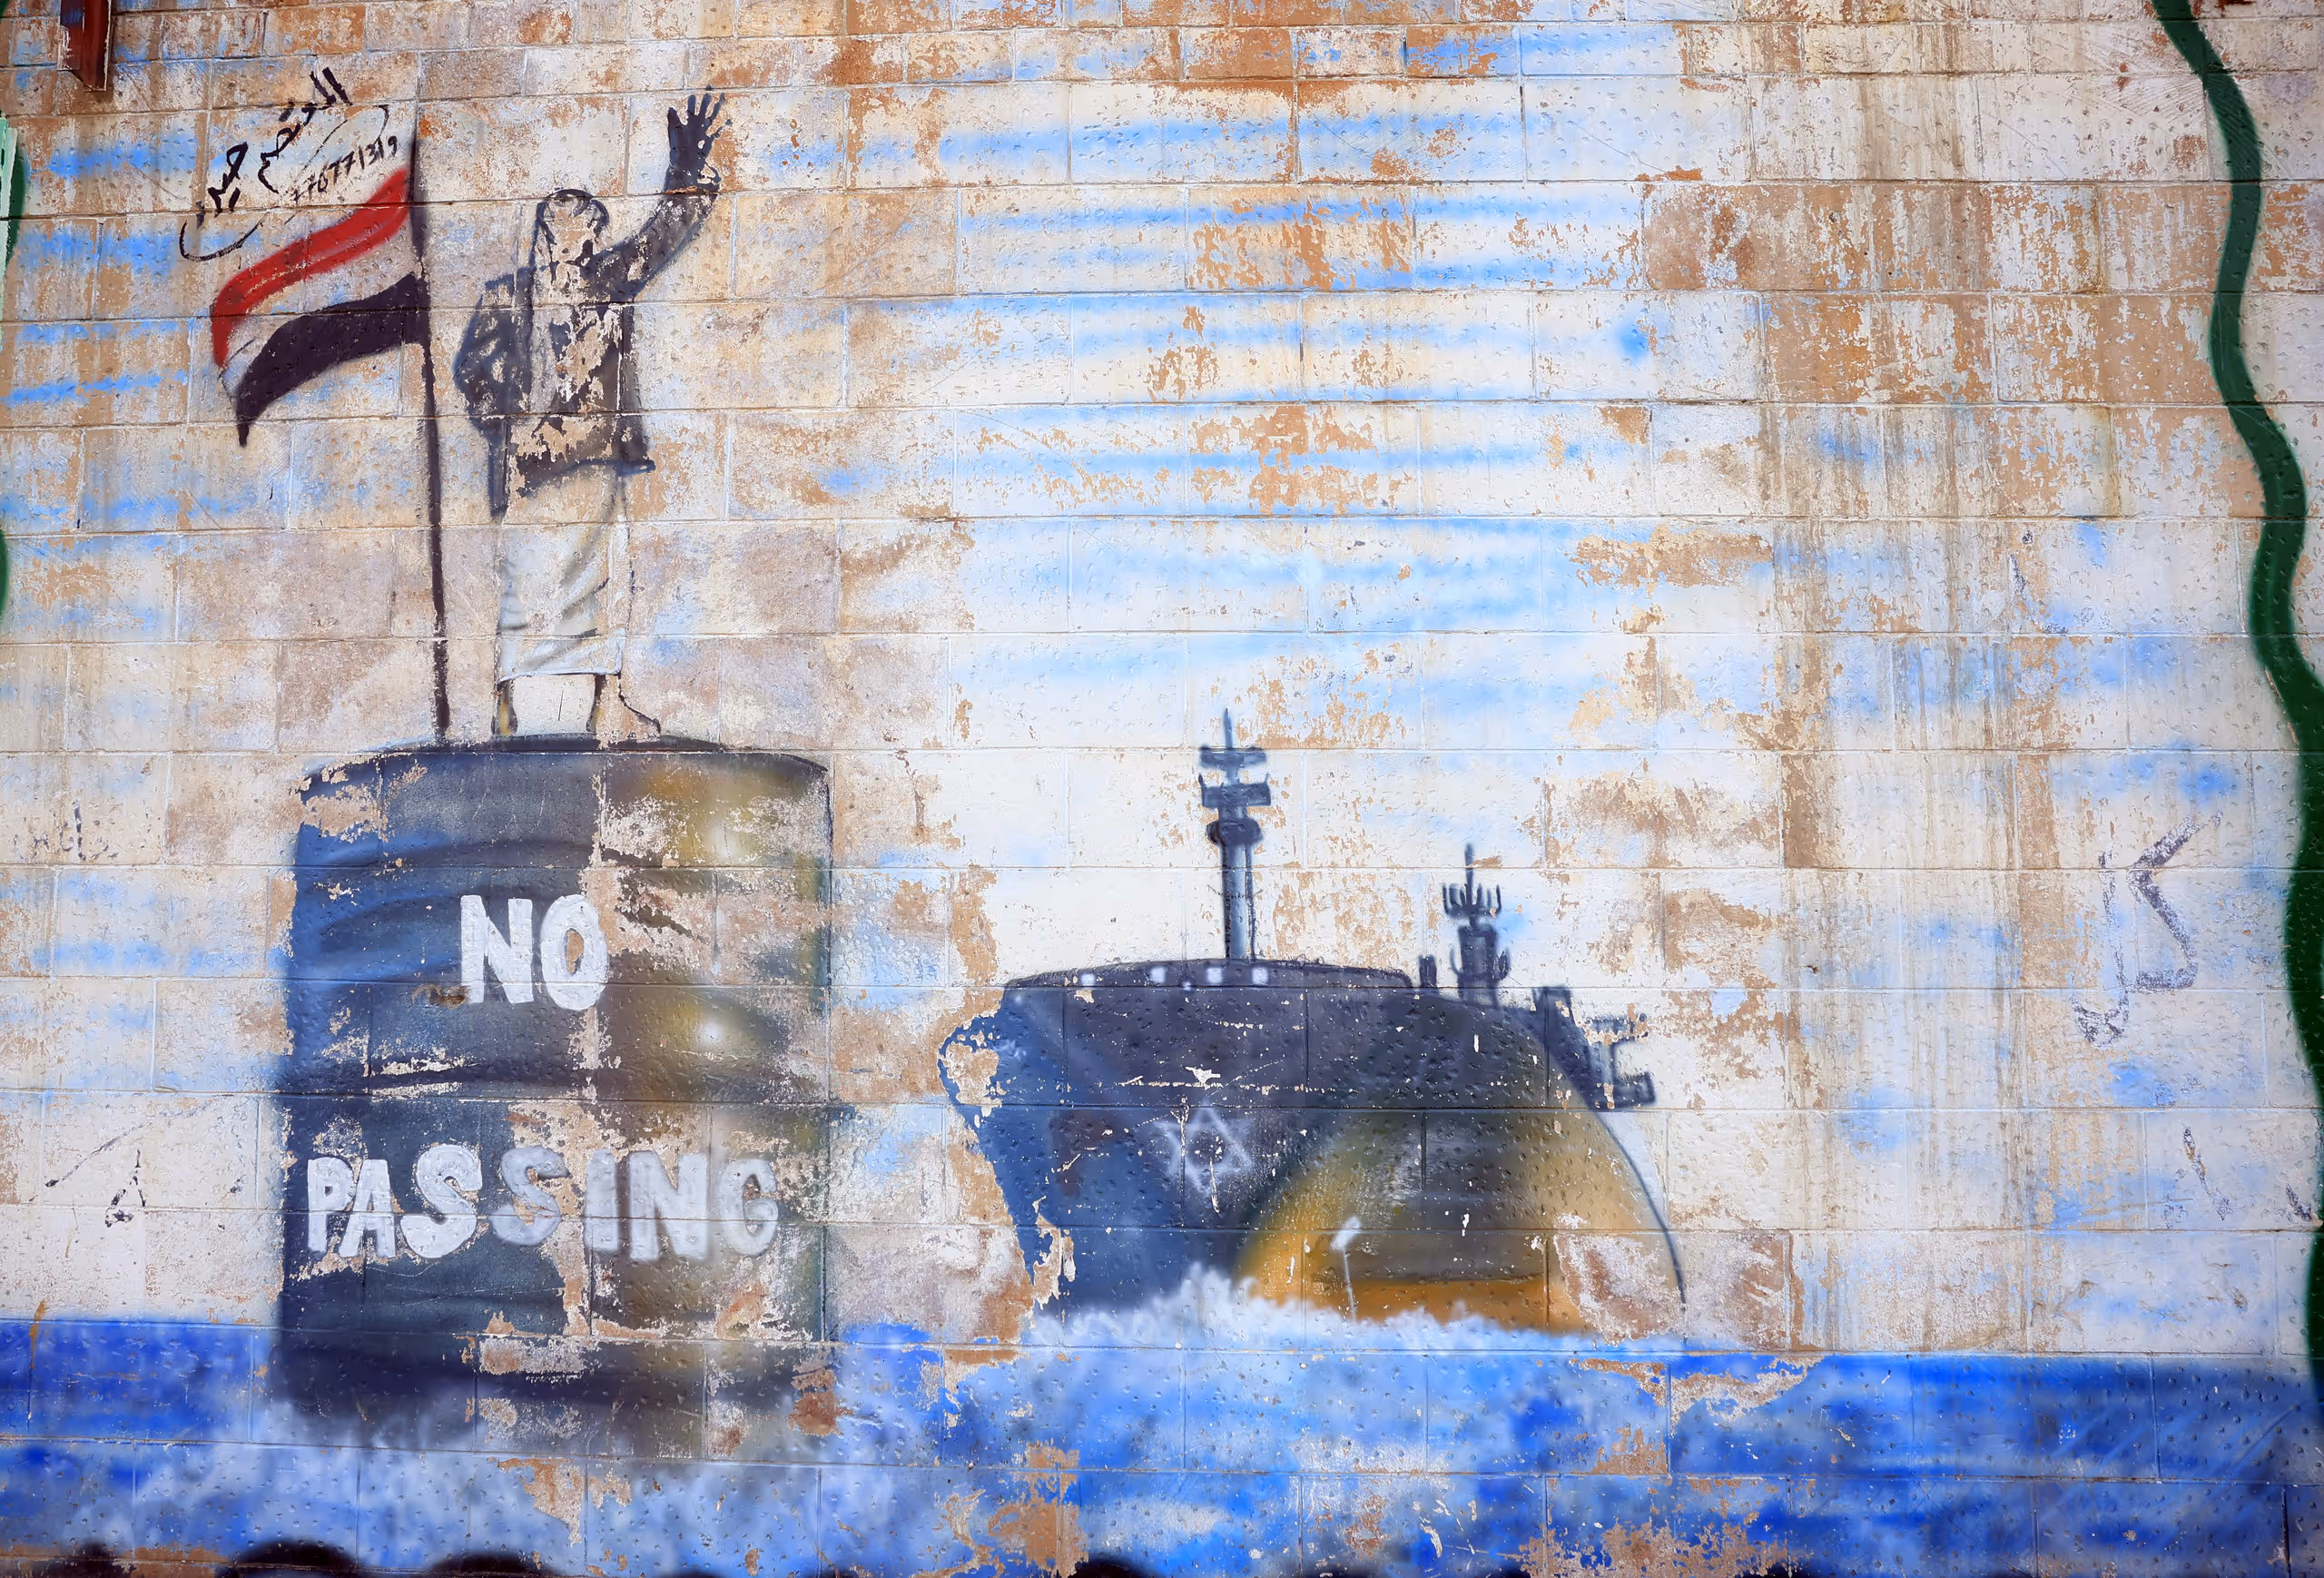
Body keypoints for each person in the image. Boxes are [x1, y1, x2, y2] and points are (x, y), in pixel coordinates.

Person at [454, 92, 725, 737]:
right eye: (575, 232)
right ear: (553, 234)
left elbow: (664, 235)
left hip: (593, 455)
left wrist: (687, 176)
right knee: (525, 582)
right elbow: (471, 373)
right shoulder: (510, 297)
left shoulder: (609, 279)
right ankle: (506, 701)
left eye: (589, 234)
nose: (583, 244)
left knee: (603, 578)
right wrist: (510, 425)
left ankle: (604, 701)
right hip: (535, 465)